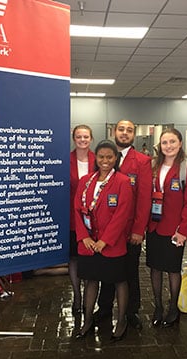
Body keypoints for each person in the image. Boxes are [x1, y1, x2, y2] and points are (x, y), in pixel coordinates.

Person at [94, 120, 152, 330]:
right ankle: (104, 308)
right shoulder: (103, 157)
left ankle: (131, 310)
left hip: (129, 231)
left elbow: (144, 199)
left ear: (134, 134)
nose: (125, 133)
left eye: (129, 130)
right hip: (106, 231)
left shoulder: (143, 161)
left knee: (130, 272)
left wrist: (138, 230)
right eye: (121, 129)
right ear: (113, 131)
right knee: (107, 271)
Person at [74, 140, 134, 341]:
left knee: (119, 281)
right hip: (89, 244)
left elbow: (122, 215)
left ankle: (122, 320)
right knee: (91, 281)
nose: (105, 160)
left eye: (109, 157)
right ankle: (88, 319)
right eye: (101, 157)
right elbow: (77, 210)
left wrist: (105, 241)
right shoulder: (85, 181)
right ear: (95, 158)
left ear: (115, 159)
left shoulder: (123, 182)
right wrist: (84, 237)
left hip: (112, 245)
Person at [147, 128, 187, 327]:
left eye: (172, 142)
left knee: (172, 269)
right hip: (153, 225)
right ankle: (158, 305)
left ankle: (173, 307)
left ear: (180, 144)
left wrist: (184, 229)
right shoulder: (153, 165)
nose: (168, 146)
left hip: (175, 229)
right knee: (155, 268)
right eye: (165, 142)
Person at [69, 125, 95, 316]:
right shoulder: (65, 159)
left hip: (93, 220)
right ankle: (77, 295)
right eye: (79, 136)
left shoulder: (98, 159)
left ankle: (89, 296)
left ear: (91, 139)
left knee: (89, 259)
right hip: (71, 217)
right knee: (74, 258)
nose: (82, 139)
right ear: (74, 138)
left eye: (86, 136)